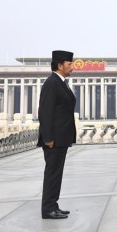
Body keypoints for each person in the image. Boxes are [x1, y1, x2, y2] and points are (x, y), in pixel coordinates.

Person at [38, 50, 76, 219]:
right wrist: (48, 138)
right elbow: (45, 112)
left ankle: (53, 205)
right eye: (69, 64)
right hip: (53, 140)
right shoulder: (52, 83)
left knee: (56, 173)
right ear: (60, 65)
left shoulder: (61, 82)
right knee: (52, 173)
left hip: (61, 138)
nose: (72, 67)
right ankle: (48, 209)